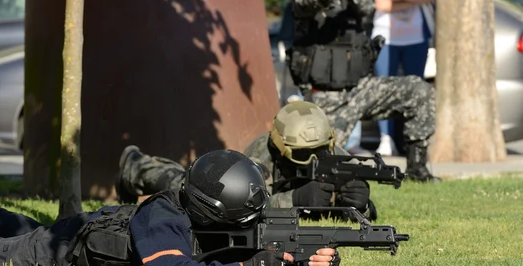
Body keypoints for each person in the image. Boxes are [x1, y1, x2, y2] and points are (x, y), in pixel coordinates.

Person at [0, 151, 339, 266]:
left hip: (82, 227)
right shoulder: (161, 218)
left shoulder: (208, 216)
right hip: (68, 248)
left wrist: (306, 263)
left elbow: (254, 247)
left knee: (22, 228)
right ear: (210, 209)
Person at [286, 0, 439, 182]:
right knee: (322, 165)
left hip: (362, 89)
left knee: (419, 91)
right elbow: (302, 0)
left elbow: (367, 4)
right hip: (325, 98)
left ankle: (418, 170)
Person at [117, 100, 376, 220]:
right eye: (301, 154)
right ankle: (136, 168)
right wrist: (294, 200)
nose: (312, 159)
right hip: (225, 187)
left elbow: (359, 210)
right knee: (189, 189)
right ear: (281, 147)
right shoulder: (262, 155)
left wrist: (360, 205)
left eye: (319, 150)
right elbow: (242, 210)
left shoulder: (330, 153)